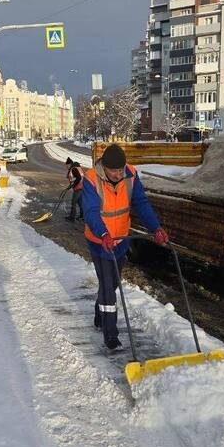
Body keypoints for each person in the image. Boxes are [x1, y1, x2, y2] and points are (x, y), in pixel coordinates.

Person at [82, 144, 168, 350]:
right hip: (100, 241)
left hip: (121, 240)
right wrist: (103, 234)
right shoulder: (91, 179)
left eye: (120, 169)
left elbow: (141, 203)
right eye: (114, 170)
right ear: (104, 166)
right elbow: (91, 212)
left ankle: (99, 314)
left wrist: (155, 228)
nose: (118, 174)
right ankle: (110, 334)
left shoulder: (130, 174)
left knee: (110, 284)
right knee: (109, 288)